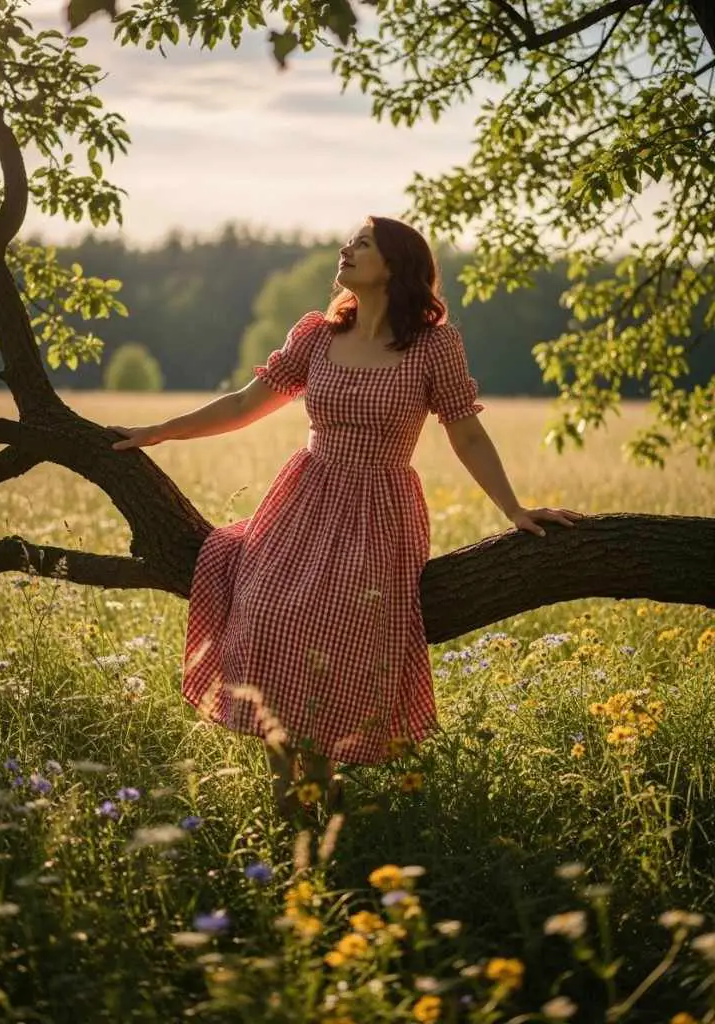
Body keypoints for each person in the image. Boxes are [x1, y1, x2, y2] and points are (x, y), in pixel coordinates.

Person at [108, 215, 582, 819]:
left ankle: (320, 789)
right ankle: (295, 795)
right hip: (305, 496)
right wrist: (159, 433)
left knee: (336, 627)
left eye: (363, 243)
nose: (346, 249)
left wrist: (513, 507)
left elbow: (466, 433)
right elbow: (245, 405)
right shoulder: (317, 335)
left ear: (395, 266)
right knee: (271, 614)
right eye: (350, 241)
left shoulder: (433, 346)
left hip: (379, 507)